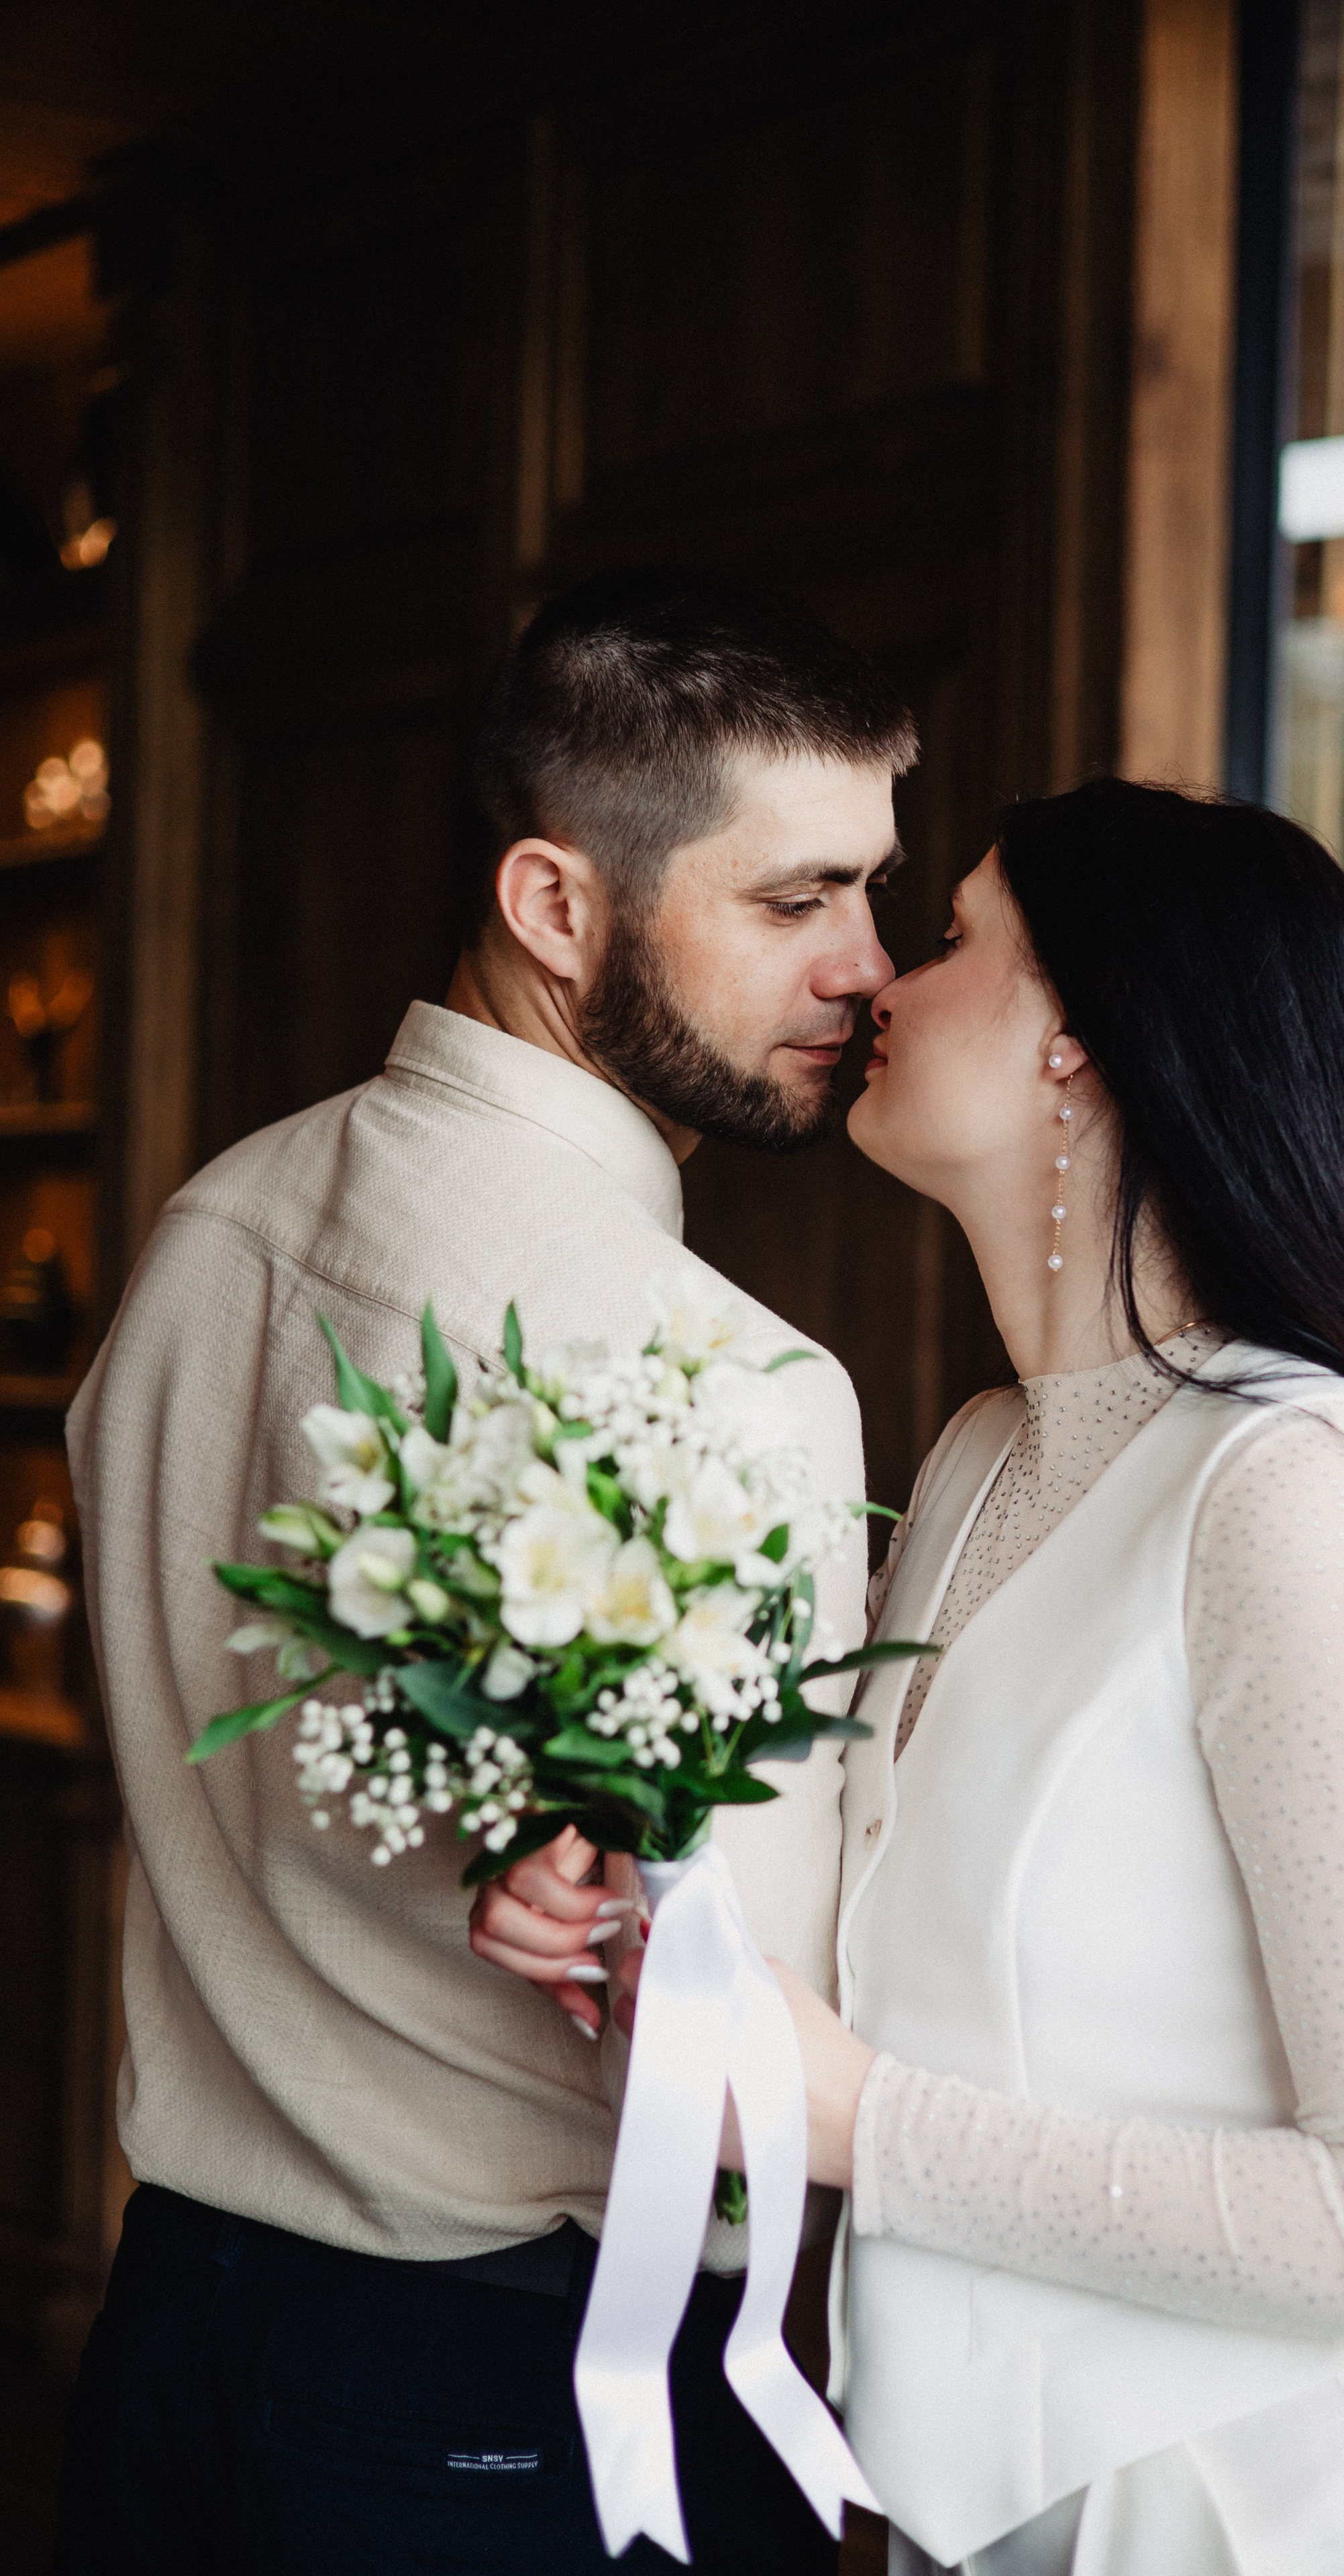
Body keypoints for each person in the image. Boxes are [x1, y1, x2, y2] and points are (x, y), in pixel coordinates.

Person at [625, 777, 1344, 2573]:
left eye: (951, 940)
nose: (878, 975)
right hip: (1002, 2518)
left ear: (1080, 1048)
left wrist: (866, 2122)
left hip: (1280, 2517)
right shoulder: (968, 1464)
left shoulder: (1300, 1491)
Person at [57, 567, 917, 2575]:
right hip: (517, 2403)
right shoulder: (731, 1388)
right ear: (557, 906)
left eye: (875, 891)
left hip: (178, 2336)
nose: (869, 967)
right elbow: (742, 2054)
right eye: (794, 903)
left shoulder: (210, 1232)